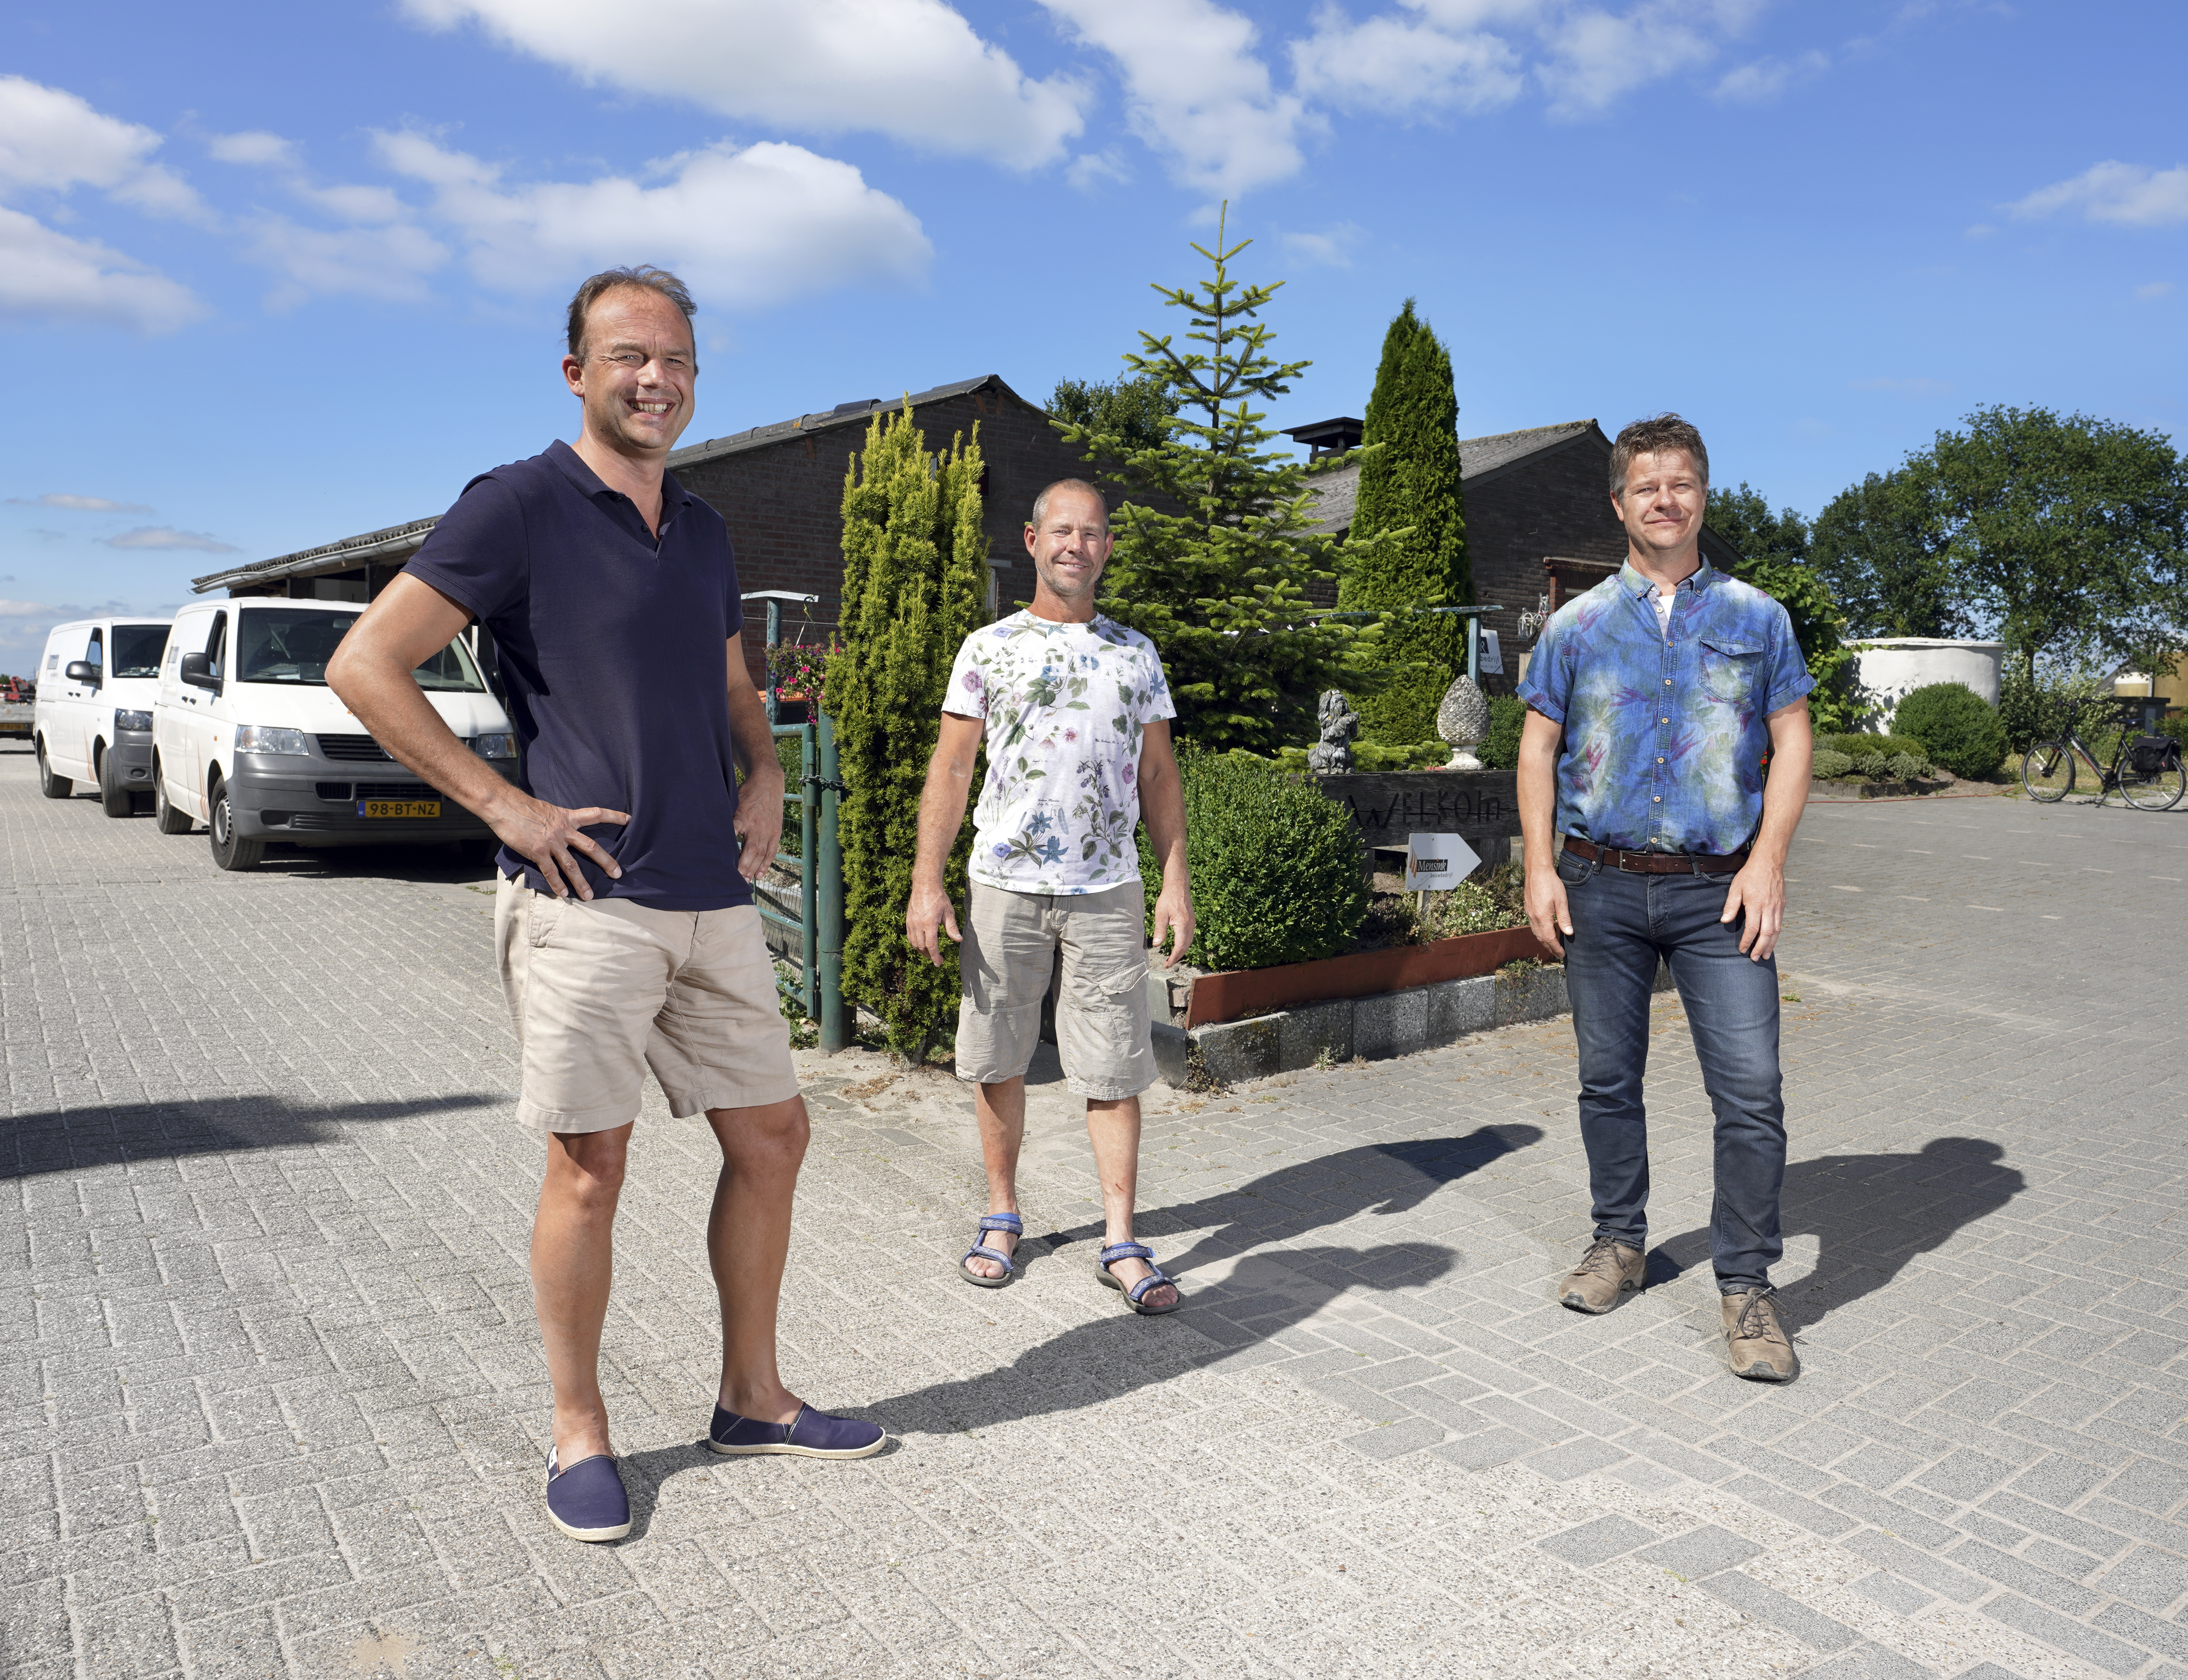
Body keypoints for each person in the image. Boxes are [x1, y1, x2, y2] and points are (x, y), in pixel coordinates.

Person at [327, 265, 883, 1546]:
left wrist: (764, 770)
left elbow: (731, 674)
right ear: (576, 373)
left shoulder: (702, 527)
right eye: (629, 354)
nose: (657, 377)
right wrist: (505, 808)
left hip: (712, 894)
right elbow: (370, 661)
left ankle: (752, 1396)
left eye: (677, 358)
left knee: (774, 1138)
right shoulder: (518, 504)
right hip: (587, 900)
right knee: (592, 1165)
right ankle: (579, 1429)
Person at [1515, 414, 1815, 1381]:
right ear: (1619, 503)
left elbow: (1794, 738)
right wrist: (1538, 868)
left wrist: (1768, 860)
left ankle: (1746, 1289)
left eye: (1680, 484)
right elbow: (1537, 748)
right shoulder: (1576, 626)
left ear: (1701, 496)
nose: (1664, 500)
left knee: (1752, 1095)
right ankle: (1618, 1244)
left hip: (1720, 894)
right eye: (1646, 486)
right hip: (1599, 885)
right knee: (1608, 1082)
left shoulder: (1757, 619)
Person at [905, 480, 1194, 1315]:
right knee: (996, 1060)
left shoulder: (1135, 655)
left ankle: (1120, 1240)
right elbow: (952, 771)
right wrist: (928, 880)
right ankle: (1002, 1214)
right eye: (1061, 531)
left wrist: (1174, 880)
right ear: (1031, 541)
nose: (1077, 544)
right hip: (1003, 886)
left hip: (1107, 890)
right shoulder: (986, 648)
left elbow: (1159, 775)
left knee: (1114, 1068)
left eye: (1093, 533)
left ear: (1107, 548)